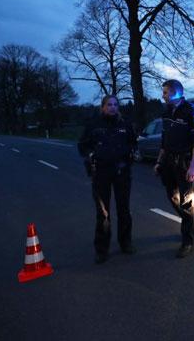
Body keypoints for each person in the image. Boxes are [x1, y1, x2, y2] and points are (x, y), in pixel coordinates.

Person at [78, 95, 137, 264]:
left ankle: (126, 243)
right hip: (101, 173)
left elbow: (133, 143)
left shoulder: (125, 125)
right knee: (103, 213)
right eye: (109, 105)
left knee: (124, 210)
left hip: (122, 172)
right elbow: (82, 145)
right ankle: (102, 250)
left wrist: (132, 154)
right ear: (102, 107)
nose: (112, 107)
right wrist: (91, 155)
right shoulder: (93, 125)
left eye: (115, 104)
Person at [154, 79, 194, 258]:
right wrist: (159, 161)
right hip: (168, 161)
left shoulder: (191, 111)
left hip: (185, 162)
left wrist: (193, 167)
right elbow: (164, 139)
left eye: (165, 92)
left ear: (175, 92)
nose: (163, 95)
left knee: (187, 201)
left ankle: (187, 240)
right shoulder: (166, 112)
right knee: (172, 196)